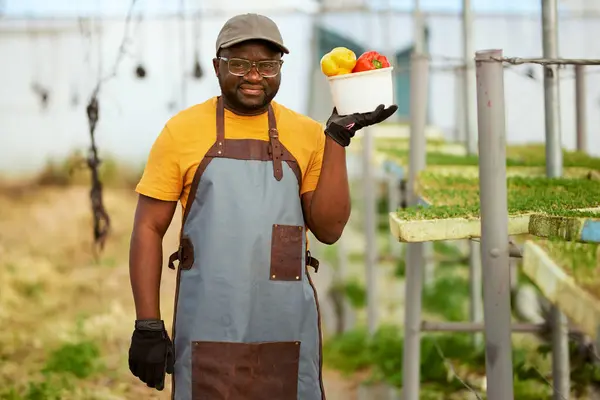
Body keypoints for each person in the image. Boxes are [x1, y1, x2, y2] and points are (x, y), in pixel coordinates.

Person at [127, 12, 397, 400]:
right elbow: (148, 228)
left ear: (280, 68)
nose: (254, 76)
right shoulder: (181, 132)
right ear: (217, 66)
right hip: (208, 327)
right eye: (239, 64)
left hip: (285, 329)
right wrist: (148, 324)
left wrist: (337, 139)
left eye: (267, 65)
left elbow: (329, 229)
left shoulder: (306, 134)